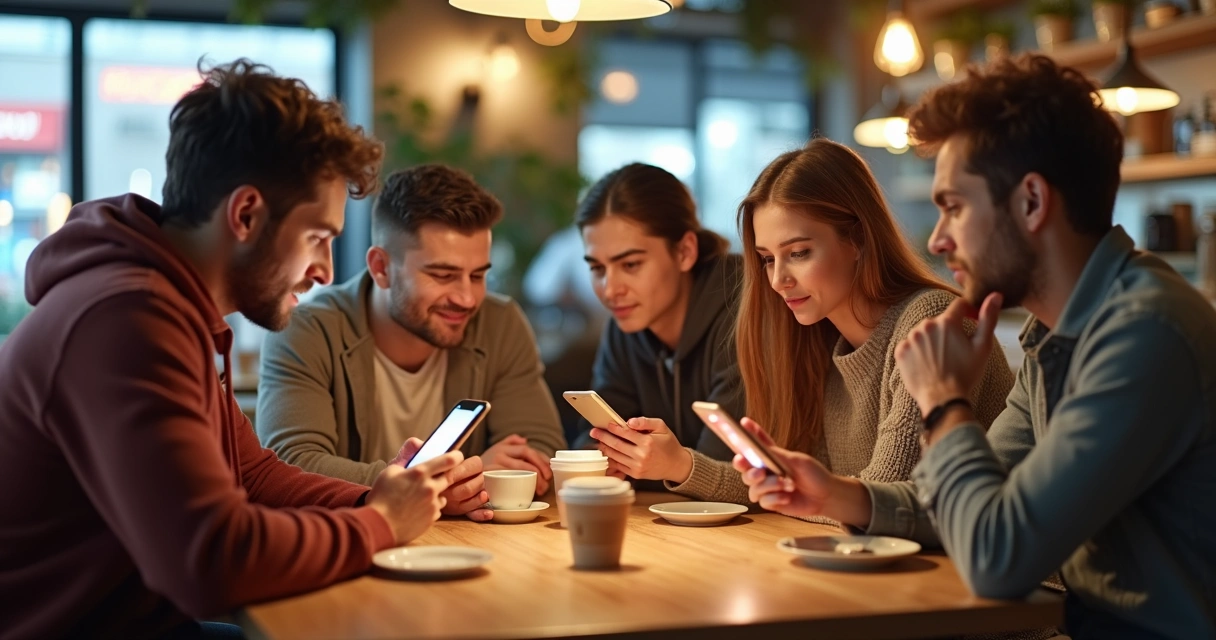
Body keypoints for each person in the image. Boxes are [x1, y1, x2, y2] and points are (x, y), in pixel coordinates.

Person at [737, 54, 1216, 640]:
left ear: (1032, 203)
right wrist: (837, 494)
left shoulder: (1143, 334)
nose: (937, 240)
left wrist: (943, 400)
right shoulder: (1056, 335)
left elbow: (997, 559)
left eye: (954, 208)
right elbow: (968, 509)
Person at [0, 60, 465, 638]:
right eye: (317, 237)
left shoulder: (167, 307)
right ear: (246, 214)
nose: (324, 270)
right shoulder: (127, 321)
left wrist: (381, 495)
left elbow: (252, 475)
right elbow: (209, 562)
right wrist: (379, 525)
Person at [599, 139, 1013, 506]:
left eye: (797, 253)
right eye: (766, 258)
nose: (778, 279)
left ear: (858, 239)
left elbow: (885, 499)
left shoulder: (929, 322)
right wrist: (679, 463)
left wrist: (808, 494)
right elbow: (798, 489)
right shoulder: (821, 341)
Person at [257, 164, 566, 518]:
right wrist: (429, 486)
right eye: (443, 275)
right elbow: (293, 465)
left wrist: (459, 480)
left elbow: (539, 450)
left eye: (478, 275)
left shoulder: (500, 323)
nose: (467, 298)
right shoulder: (306, 331)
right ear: (381, 267)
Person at [574, 163, 739, 486]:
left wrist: (663, 465)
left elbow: (732, 475)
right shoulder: (626, 326)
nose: (610, 290)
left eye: (631, 264)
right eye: (597, 268)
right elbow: (593, 440)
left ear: (685, 252)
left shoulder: (745, 313)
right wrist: (600, 459)